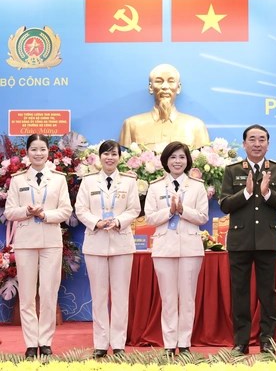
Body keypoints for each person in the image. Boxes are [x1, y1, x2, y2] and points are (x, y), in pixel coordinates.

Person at [219, 124, 276, 355]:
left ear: (268, 144)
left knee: (268, 293)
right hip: (240, 240)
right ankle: (241, 342)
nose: (257, 144)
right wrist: (246, 193)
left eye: (261, 139)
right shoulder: (232, 171)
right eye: (252, 139)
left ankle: (267, 340)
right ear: (244, 144)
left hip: (267, 240)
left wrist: (268, 193)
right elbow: (224, 205)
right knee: (239, 292)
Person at [4, 134, 73, 358]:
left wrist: (45, 215)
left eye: (42, 149)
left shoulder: (59, 179)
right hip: (25, 242)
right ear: (27, 152)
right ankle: (31, 344)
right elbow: (9, 212)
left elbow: (66, 210)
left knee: (48, 292)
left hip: (51, 241)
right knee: (26, 294)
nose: (38, 153)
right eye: (34, 149)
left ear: (48, 152)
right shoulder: (18, 180)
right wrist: (26, 211)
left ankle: (45, 341)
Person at [75, 140, 141, 358]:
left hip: (121, 243)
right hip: (96, 243)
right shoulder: (88, 181)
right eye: (106, 154)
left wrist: (119, 221)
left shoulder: (129, 181)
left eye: (114, 154)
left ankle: (119, 343)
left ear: (120, 158)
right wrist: (96, 222)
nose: (110, 158)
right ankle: (101, 344)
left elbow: (134, 209)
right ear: (99, 157)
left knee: (121, 295)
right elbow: (80, 209)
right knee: (99, 296)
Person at [144, 141, 209, 355]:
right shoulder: (155, 187)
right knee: (169, 298)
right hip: (164, 248)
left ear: (187, 160)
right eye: (173, 157)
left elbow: (203, 217)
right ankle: (169, 344)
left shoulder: (197, 186)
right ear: (166, 161)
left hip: (190, 248)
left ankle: (185, 343)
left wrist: (182, 210)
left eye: (181, 157)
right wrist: (170, 212)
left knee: (188, 298)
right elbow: (150, 218)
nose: (177, 161)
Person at [119, 64, 210, 151]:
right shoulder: (131, 125)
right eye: (159, 81)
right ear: (151, 87)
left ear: (178, 88)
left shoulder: (196, 126)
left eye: (171, 81)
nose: (165, 86)